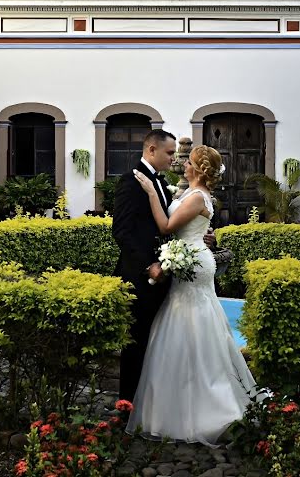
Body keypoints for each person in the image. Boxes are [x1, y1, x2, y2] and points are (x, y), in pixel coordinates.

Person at [125, 144, 261, 446]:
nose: (182, 163)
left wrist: (150, 192)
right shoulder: (190, 194)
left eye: (188, 161)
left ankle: (210, 407)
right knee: (183, 321)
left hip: (193, 265)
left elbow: (166, 225)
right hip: (191, 255)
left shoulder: (198, 196)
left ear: (199, 169)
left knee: (192, 322)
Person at [112, 129, 178, 404]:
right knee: (136, 343)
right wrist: (147, 266)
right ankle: (128, 404)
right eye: (170, 153)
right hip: (140, 277)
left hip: (163, 273)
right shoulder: (130, 182)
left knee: (158, 340)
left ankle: (150, 402)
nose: (173, 158)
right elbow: (122, 231)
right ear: (151, 150)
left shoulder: (161, 184)